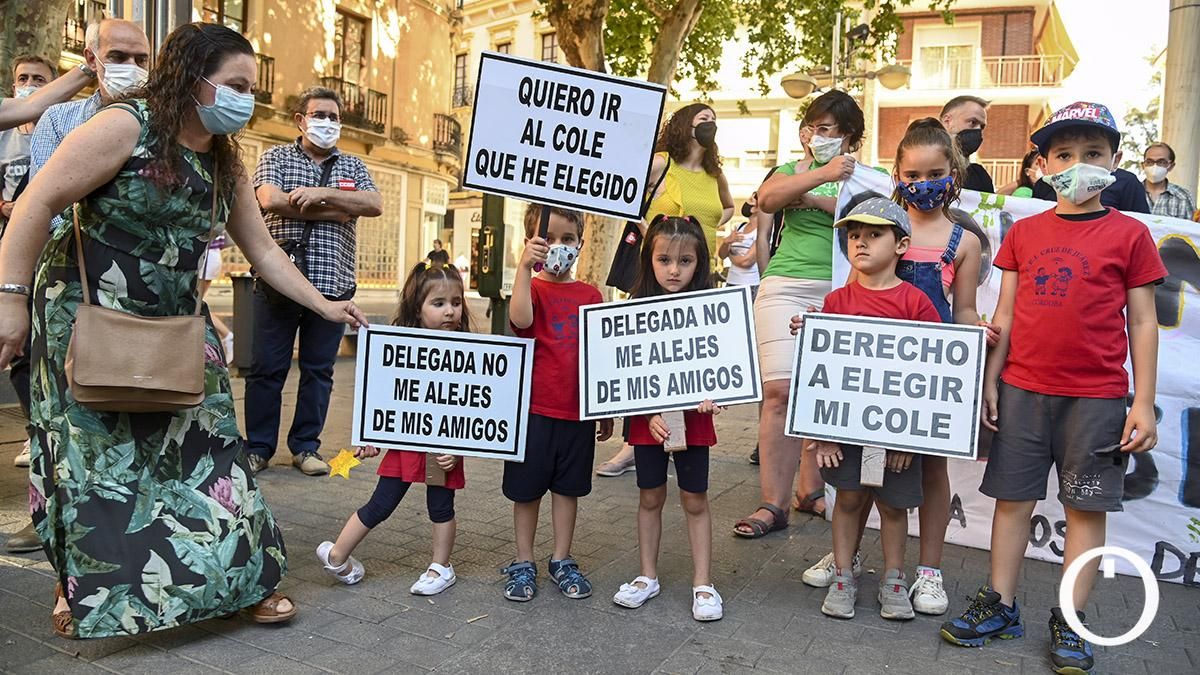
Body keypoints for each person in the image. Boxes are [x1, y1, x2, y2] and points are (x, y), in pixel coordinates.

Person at [0, 22, 368, 639]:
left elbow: (266, 254)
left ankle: (242, 580)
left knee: (210, 448)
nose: (245, 100)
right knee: (92, 459)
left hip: (173, 322)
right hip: (86, 317)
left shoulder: (225, 161)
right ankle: (82, 587)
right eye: (234, 85)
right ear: (191, 78)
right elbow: (38, 203)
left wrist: (326, 305)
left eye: (250, 88)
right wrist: (10, 299)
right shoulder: (126, 126)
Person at [941, 102, 1164, 675]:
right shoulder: (1026, 232)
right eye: (1064, 155)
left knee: (1085, 509)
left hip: (1096, 401)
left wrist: (1141, 402)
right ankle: (1002, 604)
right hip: (1021, 392)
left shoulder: (1131, 235)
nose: (1078, 165)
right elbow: (1006, 314)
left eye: (1093, 154)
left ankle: (1072, 618)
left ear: (1114, 162)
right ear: (1043, 164)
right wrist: (991, 380)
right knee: (1012, 501)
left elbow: (1142, 321)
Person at [800, 120, 995, 615]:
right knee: (856, 474)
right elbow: (843, 313)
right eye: (913, 173)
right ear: (898, 174)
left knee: (926, 472)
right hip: (865, 383)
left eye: (934, 172)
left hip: (923, 380)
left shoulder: (964, 240)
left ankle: (924, 572)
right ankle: (848, 560)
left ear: (954, 172)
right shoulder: (873, 224)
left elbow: (965, 309)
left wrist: (976, 338)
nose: (923, 181)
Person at [791, 197, 941, 620]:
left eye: (874, 234)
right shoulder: (835, 303)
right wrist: (819, 433)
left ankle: (894, 579)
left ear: (901, 244)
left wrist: (910, 435)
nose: (860, 242)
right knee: (849, 501)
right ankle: (843, 575)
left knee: (894, 507)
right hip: (846, 433)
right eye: (853, 234)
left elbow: (933, 375)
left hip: (897, 435)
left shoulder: (917, 304)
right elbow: (821, 375)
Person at [732, 90, 859, 538]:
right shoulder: (790, 169)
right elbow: (768, 199)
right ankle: (773, 503)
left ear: (850, 137)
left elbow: (864, 215)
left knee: (823, 391)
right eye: (814, 127)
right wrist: (820, 176)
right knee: (780, 392)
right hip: (785, 284)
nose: (819, 135)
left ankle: (811, 490)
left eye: (830, 129)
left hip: (845, 287)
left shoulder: (870, 176)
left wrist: (812, 199)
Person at [245, 86, 382, 476]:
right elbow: (270, 200)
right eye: (319, 115)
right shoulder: (275, 157)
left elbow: (373, 204)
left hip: (333, 284)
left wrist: (319, 194)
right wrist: (336, 209)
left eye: (334, 117)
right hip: (278, 284)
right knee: (267, 368)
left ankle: (306, 447)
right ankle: (258, 448)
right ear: (301, 120)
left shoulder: (352, 166)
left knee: (319, 370)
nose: (327, 123)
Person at [596, 103, 733, 478]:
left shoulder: (714, 174)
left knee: (686, 356)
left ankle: (687, 428)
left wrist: (708, 233)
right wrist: (648, 232)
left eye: (713, 119)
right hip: (656, 276)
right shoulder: (660, 164)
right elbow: (622, 194)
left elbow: (728, 208)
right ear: (684, 125)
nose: (710, 124)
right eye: (703, 118)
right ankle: (634, 443)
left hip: (698, 278)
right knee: (648, 356)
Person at [317, 262, 468, 596]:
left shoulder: (470, 353)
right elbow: (384, 398)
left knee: (441, 507)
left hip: (443, 447)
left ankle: (441, 567)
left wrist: (458, 448)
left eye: (456, 303)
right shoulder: (396, 349)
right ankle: (338, 555)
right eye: (439, 303)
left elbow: (475, 411)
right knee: (380, 504)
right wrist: (371, 437)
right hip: (405, 443)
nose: (449, 311)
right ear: (418, 308)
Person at [611, 215, 725, 622]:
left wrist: (719, 396)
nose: (673, 270)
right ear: (648, 260)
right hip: (647, 423)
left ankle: (703, 583)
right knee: (649, 497)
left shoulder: (712, 311)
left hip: (695, 421)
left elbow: (724, 367)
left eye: (684, 261)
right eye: (664, 260)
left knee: (695, 499)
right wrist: (647, 412)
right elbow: (623, 373)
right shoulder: (633, 309)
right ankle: (647, 575)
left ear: (700, 263)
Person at [502, 204, 613, 602]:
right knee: (526, 492)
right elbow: (521, 320)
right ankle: (523, 560)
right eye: (549, 238)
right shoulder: (530, 288)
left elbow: (599, 354)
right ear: (532, 242)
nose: (559, 247)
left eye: (568, 239)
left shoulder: (591, 295)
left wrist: (605, 407)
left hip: (576, 414)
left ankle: (561, 558)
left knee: (568, 491)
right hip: (533, 413)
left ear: (581, 244)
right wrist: (521, 269)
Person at [1, 54, 56, 556]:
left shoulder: (66, 125)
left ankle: (48, 515)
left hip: (52, 283)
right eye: (23, 80)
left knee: (51, 403)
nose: (30, 89)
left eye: (40, 81)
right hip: (10, 283)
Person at [30, 19, 152, 191]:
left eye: (141, 60)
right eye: (118, 57)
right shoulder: (57, 121)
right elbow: (39, 197)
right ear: (92, 59)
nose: (131, 67)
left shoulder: (165, 122)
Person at [0, 56, 92, 132]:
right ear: (14, 88)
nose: (29, 84)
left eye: (39, 80)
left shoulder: (72, 128)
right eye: (22, 79)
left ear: (53, 87)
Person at [940, 95, 993, 193]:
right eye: (972, 122)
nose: (978, 130)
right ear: (947, 121)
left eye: (982, 127)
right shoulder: (921, 168)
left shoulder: (979, 176)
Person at [199, 232, 234, 360]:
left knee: (195, 305)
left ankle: (227, 336)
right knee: (196, 304)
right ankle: (226, 336)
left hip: (205, 257)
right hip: (213, 256)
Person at [1142, 142, 1196, 220]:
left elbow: (1192, 228)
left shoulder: (1183, 196)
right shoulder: (1131, 193)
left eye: (1161, 162)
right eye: (1149, 162)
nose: (1155, 166)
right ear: (1143, 165)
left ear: (1171, 166)